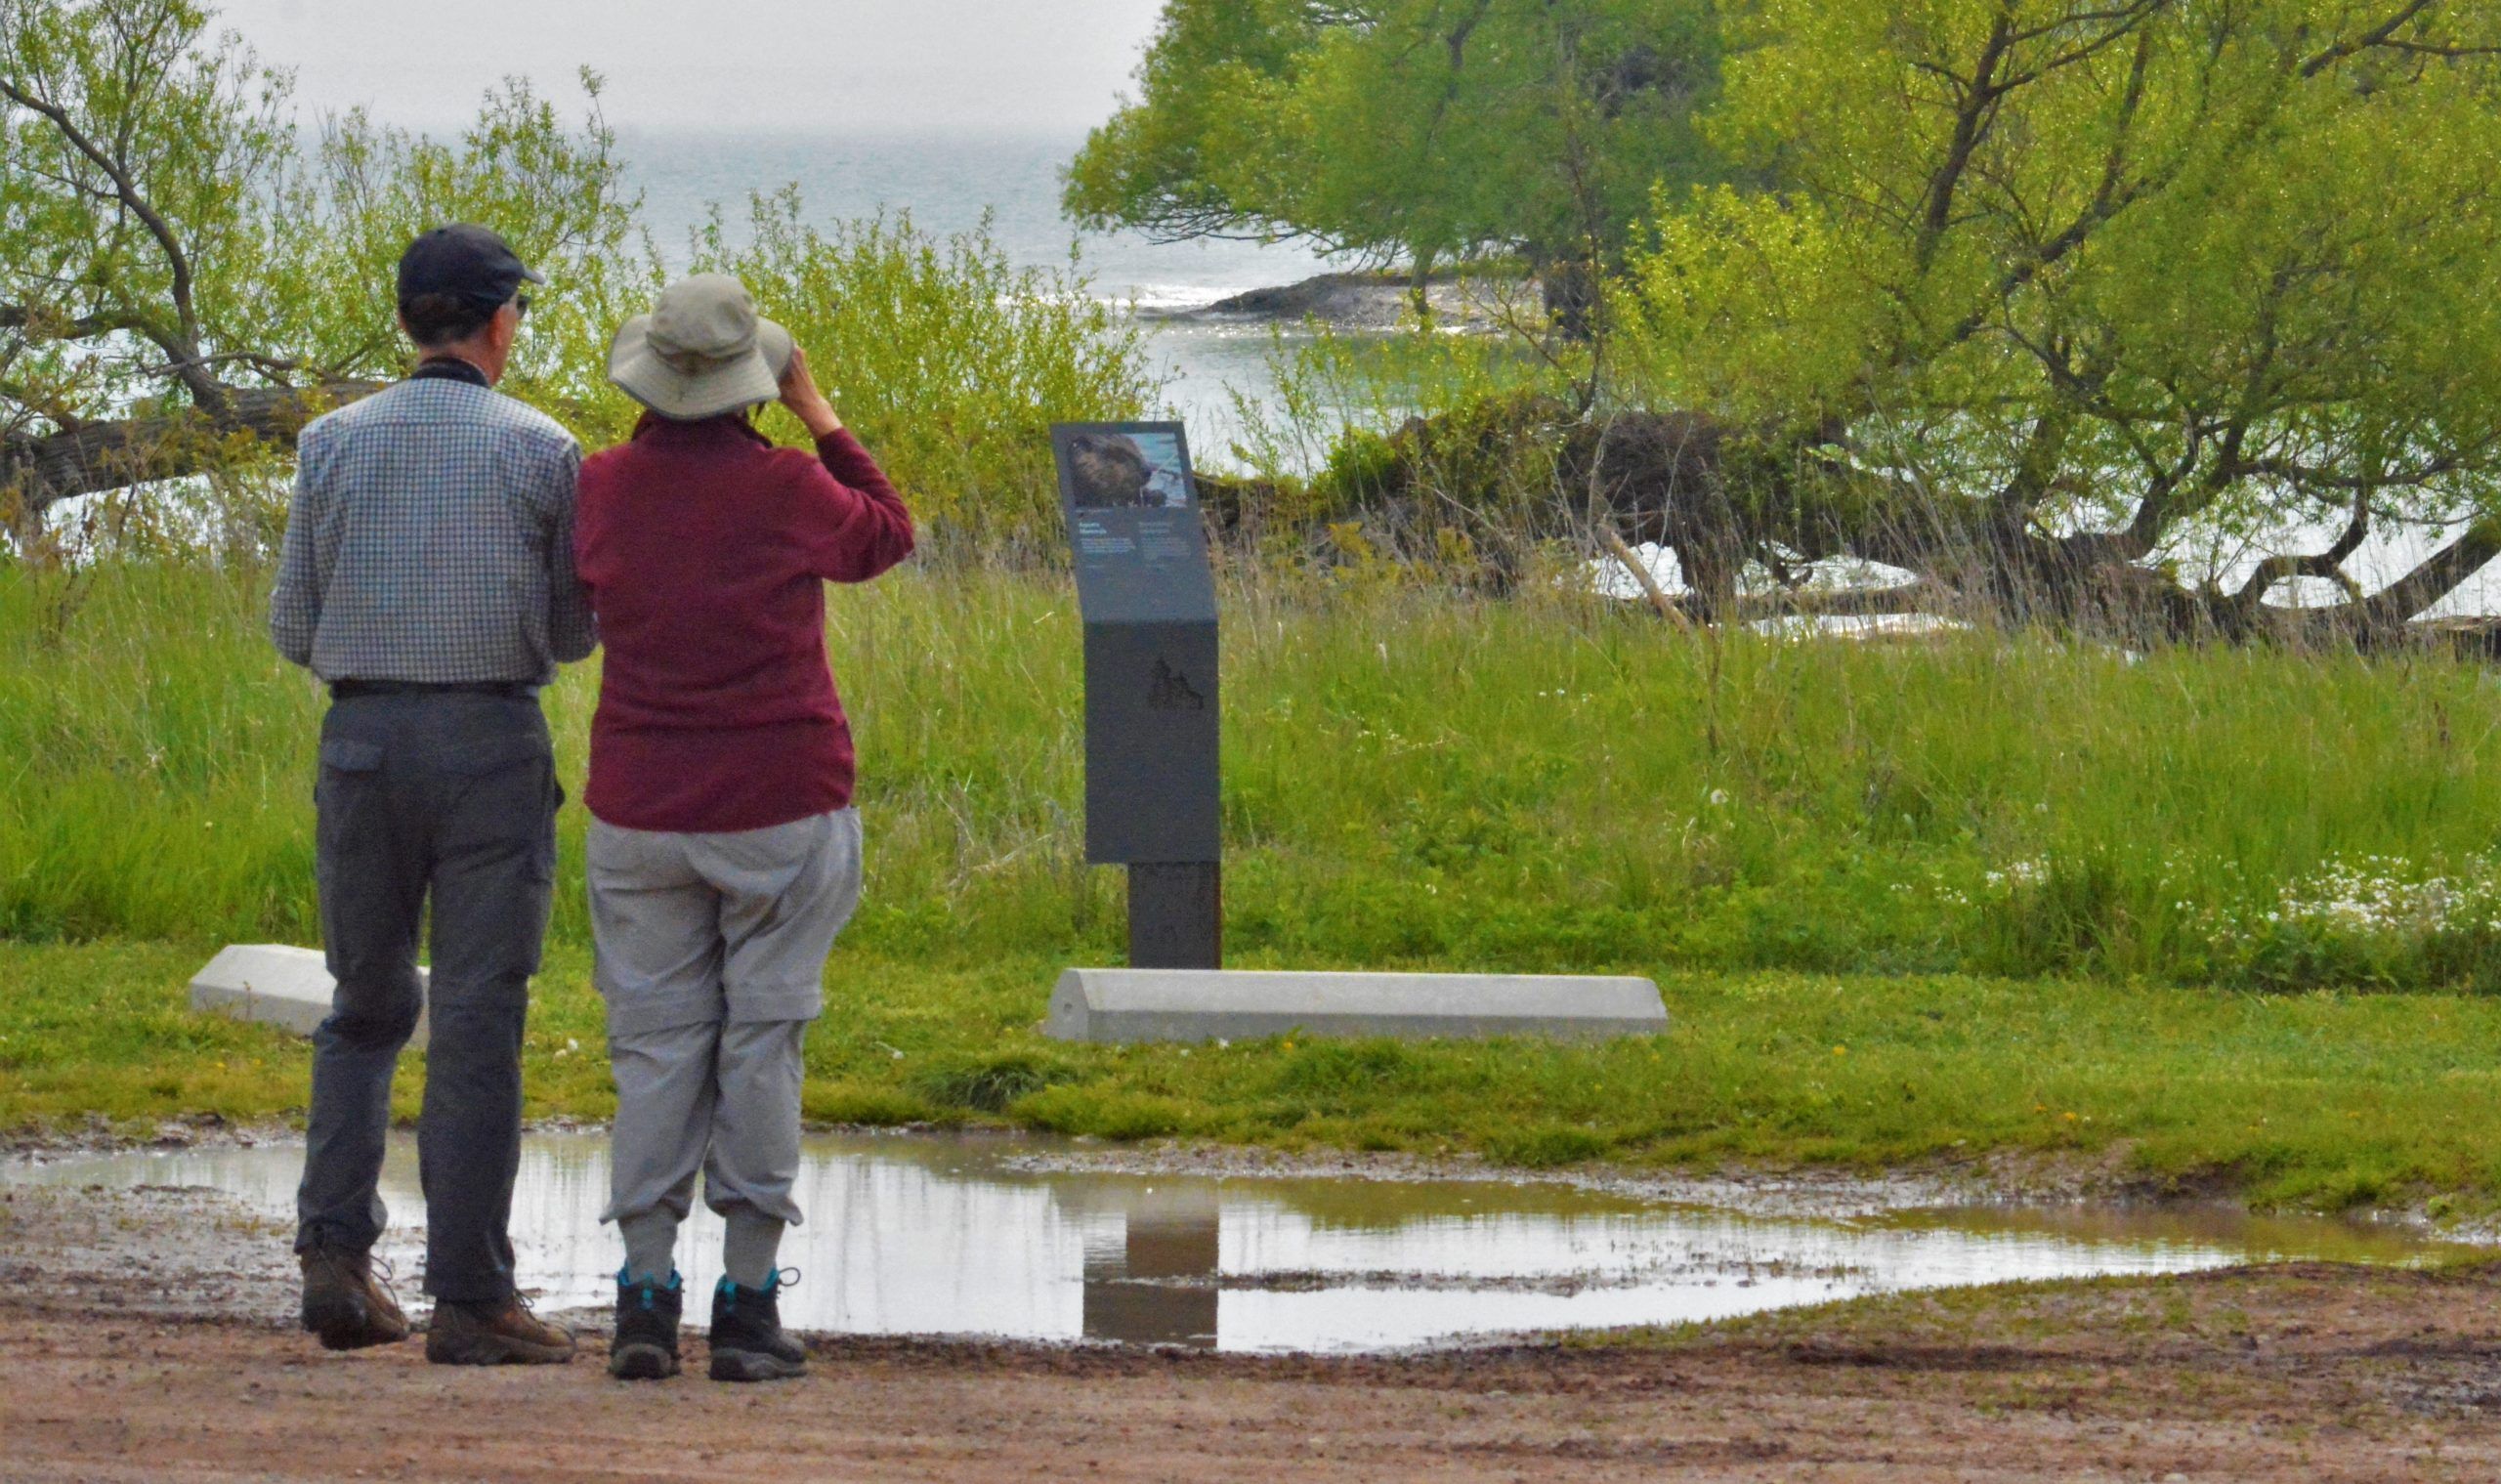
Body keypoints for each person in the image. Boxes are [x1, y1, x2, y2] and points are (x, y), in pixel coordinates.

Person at [574, 274, 914, 1381]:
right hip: (780, 796)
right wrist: (820, 412)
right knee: (762, 1038)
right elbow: (887, 536)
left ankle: (641, 1290)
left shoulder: (600, 487)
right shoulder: (783, 487)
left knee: (655, 1043)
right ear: (753, 385)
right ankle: (749, 1301)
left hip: (638, 802)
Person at [269, 224, 595, 1365]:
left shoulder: (330, 443)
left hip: (360, 740)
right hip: (492, 748)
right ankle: (470, 1294)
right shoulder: (546, 449)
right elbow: (567, 628)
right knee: (476, 1020)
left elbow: (293, 626)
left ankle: (335, 1256)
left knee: (362, 1006)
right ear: (500, 322)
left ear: (409, 319)